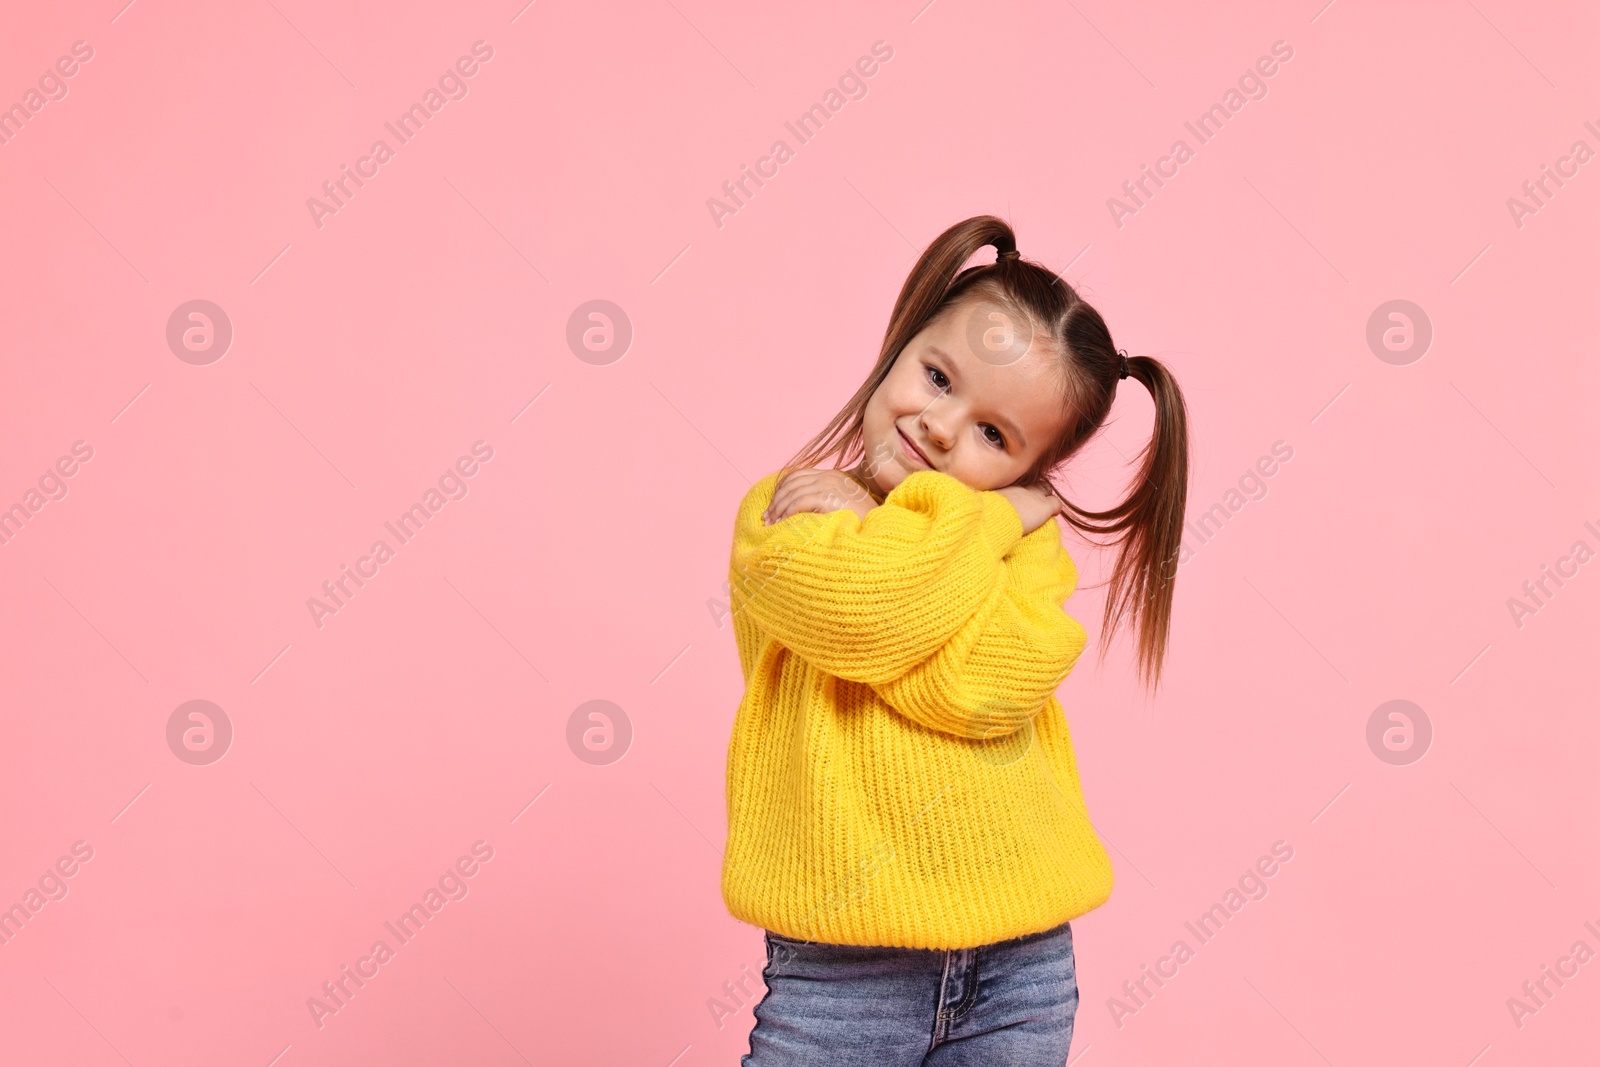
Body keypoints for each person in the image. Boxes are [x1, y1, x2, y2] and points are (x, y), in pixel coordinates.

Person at [723, 214, 1191, 1065]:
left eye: (993, 435)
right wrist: (983, 523)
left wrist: (944, 532)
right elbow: (870, 618)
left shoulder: (1030, 546)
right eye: (938, 377)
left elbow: (979, 692)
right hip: (843, 969)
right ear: (902, 343)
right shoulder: (783, 515)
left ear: (1029, 468)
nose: (941, 427)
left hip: (1022, 962)